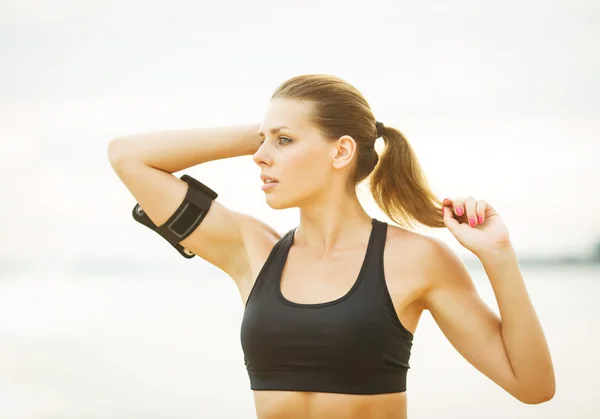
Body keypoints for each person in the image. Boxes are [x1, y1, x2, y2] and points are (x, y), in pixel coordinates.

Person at [107, 74, 555, 419]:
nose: (261, 156)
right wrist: (266, 131)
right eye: (264, 142)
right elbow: (128, 157)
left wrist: (498, 256)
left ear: (341, 152)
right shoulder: (252, 251)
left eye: (283, 142)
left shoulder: (415, 260)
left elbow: (532, 386)